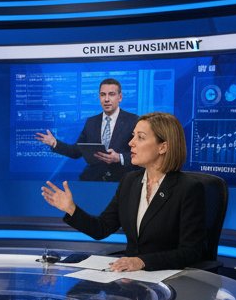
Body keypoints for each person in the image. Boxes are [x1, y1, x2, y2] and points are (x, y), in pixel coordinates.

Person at [41, 112, 207, 272]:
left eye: (140, 137)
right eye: (133, 135)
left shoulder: (188, 189)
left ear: (163, 147)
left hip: (169, 279)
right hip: (131, 280)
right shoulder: (130, 181)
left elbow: (191, 252)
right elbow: (102, 228)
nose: (131, 143)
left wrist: (141, 262)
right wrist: (71, 208)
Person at [35, 78, 140, 182]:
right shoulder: (91, 122)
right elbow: (76, 151)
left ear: (120, 97)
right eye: (103, 94)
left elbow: (142, 154)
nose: (106, 99)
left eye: (111, 94)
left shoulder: (134, 120)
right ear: (99, 97)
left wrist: (119, 157)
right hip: (93, 181)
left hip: (123, 181)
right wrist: (55, 143)